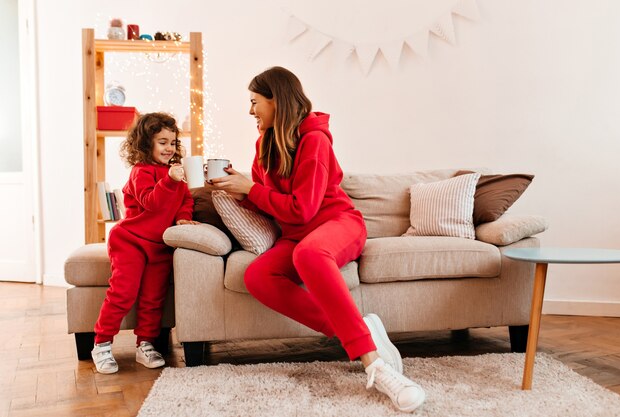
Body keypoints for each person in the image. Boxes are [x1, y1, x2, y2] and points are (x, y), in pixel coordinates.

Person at [210, 67, 426, 412]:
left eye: (254, 102)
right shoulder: (264, 142)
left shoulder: (314, 139)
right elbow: (272, 203)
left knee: (308, 256)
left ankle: (375, 365)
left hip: (336, 223)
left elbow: (303, 209)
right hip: (296, 235)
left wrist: (252, 189)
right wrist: (240, 191)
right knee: (257, 276)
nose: (250, 111)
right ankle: (361, 331)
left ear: (275, 100)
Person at [91, 112, 199, 374]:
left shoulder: (176, 174)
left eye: (172, 142)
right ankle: (102, 344)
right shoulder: (142, 171)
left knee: (153, 298)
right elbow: (151, 203)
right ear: (145, 143)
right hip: (131, 241)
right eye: (162, 142)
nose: (168, 148)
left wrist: (183, 218)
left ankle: (146, 344)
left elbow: (185, 200)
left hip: (159, 246)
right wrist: (169, 181)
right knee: (123, 292)